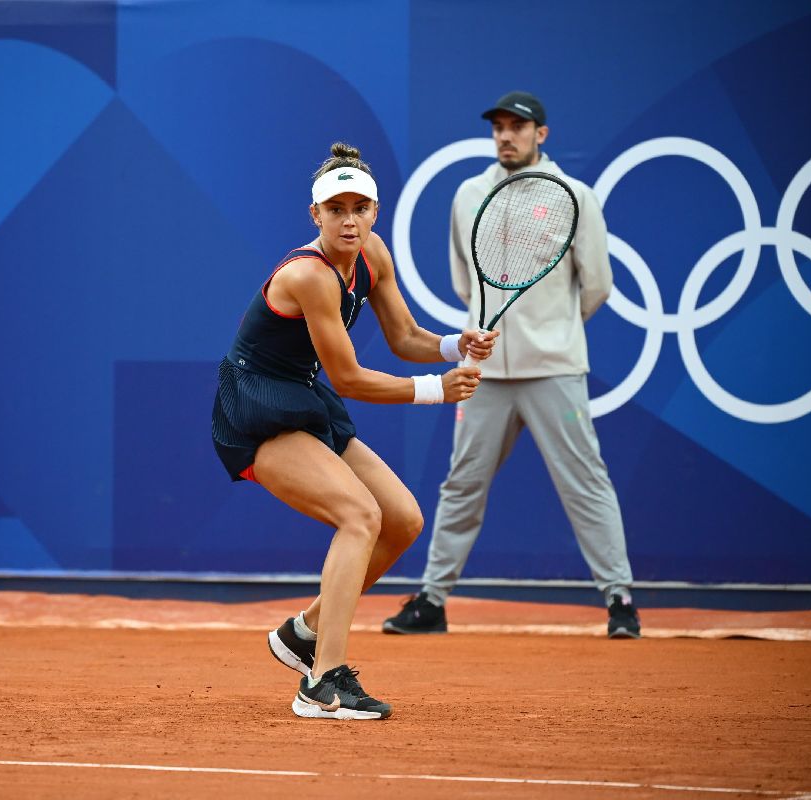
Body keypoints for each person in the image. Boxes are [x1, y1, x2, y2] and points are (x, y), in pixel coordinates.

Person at [212, 142, 498, 720]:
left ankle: (303, 633)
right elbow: (347, 377)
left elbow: (404, 337)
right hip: (258, 405)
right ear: (314, 215)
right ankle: (321, 682)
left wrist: (452, 345)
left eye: (359, 208)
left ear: (374, 211)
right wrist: (436, 389)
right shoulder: (309, 276)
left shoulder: (371, 255)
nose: (349, 219)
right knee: (359, 516)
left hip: (306, 395)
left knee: (403, 520)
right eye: (335, 208)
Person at [382, 91, 641, 639]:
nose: (506, 135)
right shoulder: (468, 194)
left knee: (585, 482)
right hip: (486, 374)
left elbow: (596, 285)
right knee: (461, 484)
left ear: (540, 134)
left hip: (555, 370)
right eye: (499, 126)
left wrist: (554, 332)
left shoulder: (576, 197)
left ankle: (619, 599)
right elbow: (464, 279)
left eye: (518, 127)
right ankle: (431, 600)